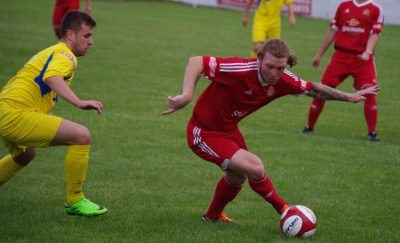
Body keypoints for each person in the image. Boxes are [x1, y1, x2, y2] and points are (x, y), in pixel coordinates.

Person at [161, 39, 379, 222]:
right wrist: (187, 94)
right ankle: (285, 211)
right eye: (269, 66)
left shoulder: (283, 80)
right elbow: (196, 61)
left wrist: (348, 97)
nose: (274, 73)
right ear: (259, 60)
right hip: (204, 132)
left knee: (237, 178)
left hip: (228, 130)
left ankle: (212, 217)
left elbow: (313, 89)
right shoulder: (241, 70)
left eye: (280, 68)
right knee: (254, 166)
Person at [0, 11, 107, 217]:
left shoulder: (54, 51)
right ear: (70, 34)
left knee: (24, 155)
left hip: (7, 110)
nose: (91, 42)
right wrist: (79, 102)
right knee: (81, 136)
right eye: (86, 36)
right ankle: (75, 200)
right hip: (15, 114)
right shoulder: (66, 56)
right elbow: (52, 77)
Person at [302, 0, 384, 141]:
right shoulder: (344, 6)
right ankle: (309, 126)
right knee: (322, 90)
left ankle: (372, 133)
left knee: (369, 91)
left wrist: (368, 52)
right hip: (340, 57)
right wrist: (319, 54)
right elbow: (333, 30)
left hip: (362, 59)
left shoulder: (375, 9)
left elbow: (375, 33)